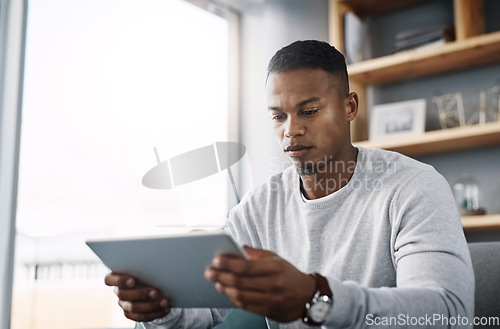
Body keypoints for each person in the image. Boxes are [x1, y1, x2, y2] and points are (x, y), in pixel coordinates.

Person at [105, 40, 474, 328]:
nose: (290, 130)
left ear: (349, 107)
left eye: (308, 111)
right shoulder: (258, 208)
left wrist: (316, 298)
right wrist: (159, 308)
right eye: (278, 115)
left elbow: (447, 313)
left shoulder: (414, 187)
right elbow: (207, 312)